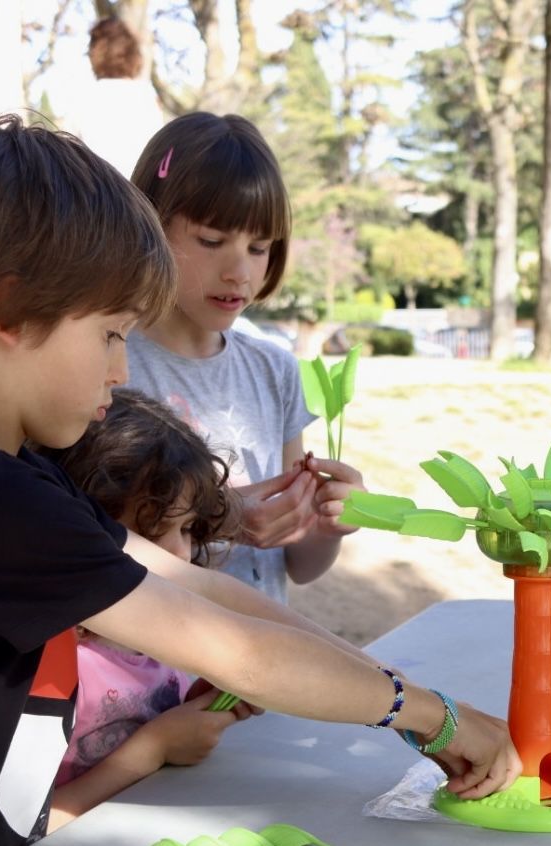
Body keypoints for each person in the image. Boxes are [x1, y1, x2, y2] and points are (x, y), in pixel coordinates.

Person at [0, 116, 519, 846]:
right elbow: (234, 651)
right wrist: (432, 716)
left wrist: (418, 703)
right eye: (109, 334)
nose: (122, 368)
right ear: (13, 312)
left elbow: (202, 589)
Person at [123, 112, 350, 605]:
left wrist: (329, 525)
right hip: (152, 667)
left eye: (259, 247)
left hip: (256, 662)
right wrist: (218, 519)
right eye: (211, 240)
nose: (239, 272)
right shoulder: (111, 364)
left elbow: (297, 564)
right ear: (151, 225)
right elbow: (99, 545)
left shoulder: (275, 371)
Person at [41, 389, 256, 831]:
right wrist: (152, 749)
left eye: (189, 528)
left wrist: (202, 704)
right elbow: (26, 828)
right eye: (154, 534)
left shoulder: (164, 633)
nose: (181, 553)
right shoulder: (47, 663)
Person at [62, 17, 164, 177]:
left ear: (95, 53)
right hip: (141, 197)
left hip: (95, 196)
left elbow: (66, 159)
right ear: (132, 53)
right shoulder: (147, 98)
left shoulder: (84, 98)